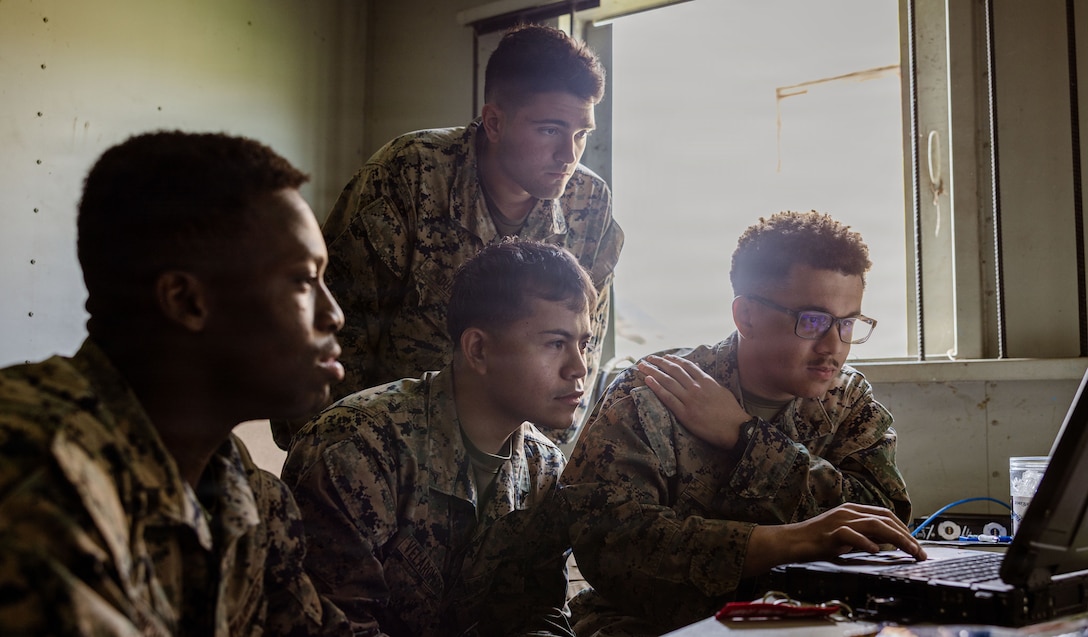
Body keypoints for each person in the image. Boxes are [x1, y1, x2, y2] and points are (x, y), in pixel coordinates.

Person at [0, 131, 351, 636]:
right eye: (302, 280)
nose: (334, 314)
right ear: (186, 301)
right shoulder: (38, 472)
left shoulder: (245, 491)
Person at [560, 210, 927, 635]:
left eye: (847, 324)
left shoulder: (847, 400)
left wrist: (746, 438)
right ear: (746, 316)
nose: (833, 347)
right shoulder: (653, 393)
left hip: (812, 624)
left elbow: (884, 522)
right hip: (658, 627)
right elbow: (615, 546)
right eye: (812, 321)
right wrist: (791, 541)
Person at [271, 23, 623, 450]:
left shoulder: (590, 205)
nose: (569, 155)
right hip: (387, 447)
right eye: (549, 130)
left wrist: (537, 478)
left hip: (509, 457)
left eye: (581, 134)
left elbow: (578, 359)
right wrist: (328, 453)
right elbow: (336, 330)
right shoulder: (408, 174)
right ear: (494, 122)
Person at [281, 239, 596, 637]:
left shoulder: (545, 469)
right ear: (478, 350)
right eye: (555, 343)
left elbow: (536, 613)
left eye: (582, 344)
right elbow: (333, 628)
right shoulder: (355, 447)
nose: (578, 368)